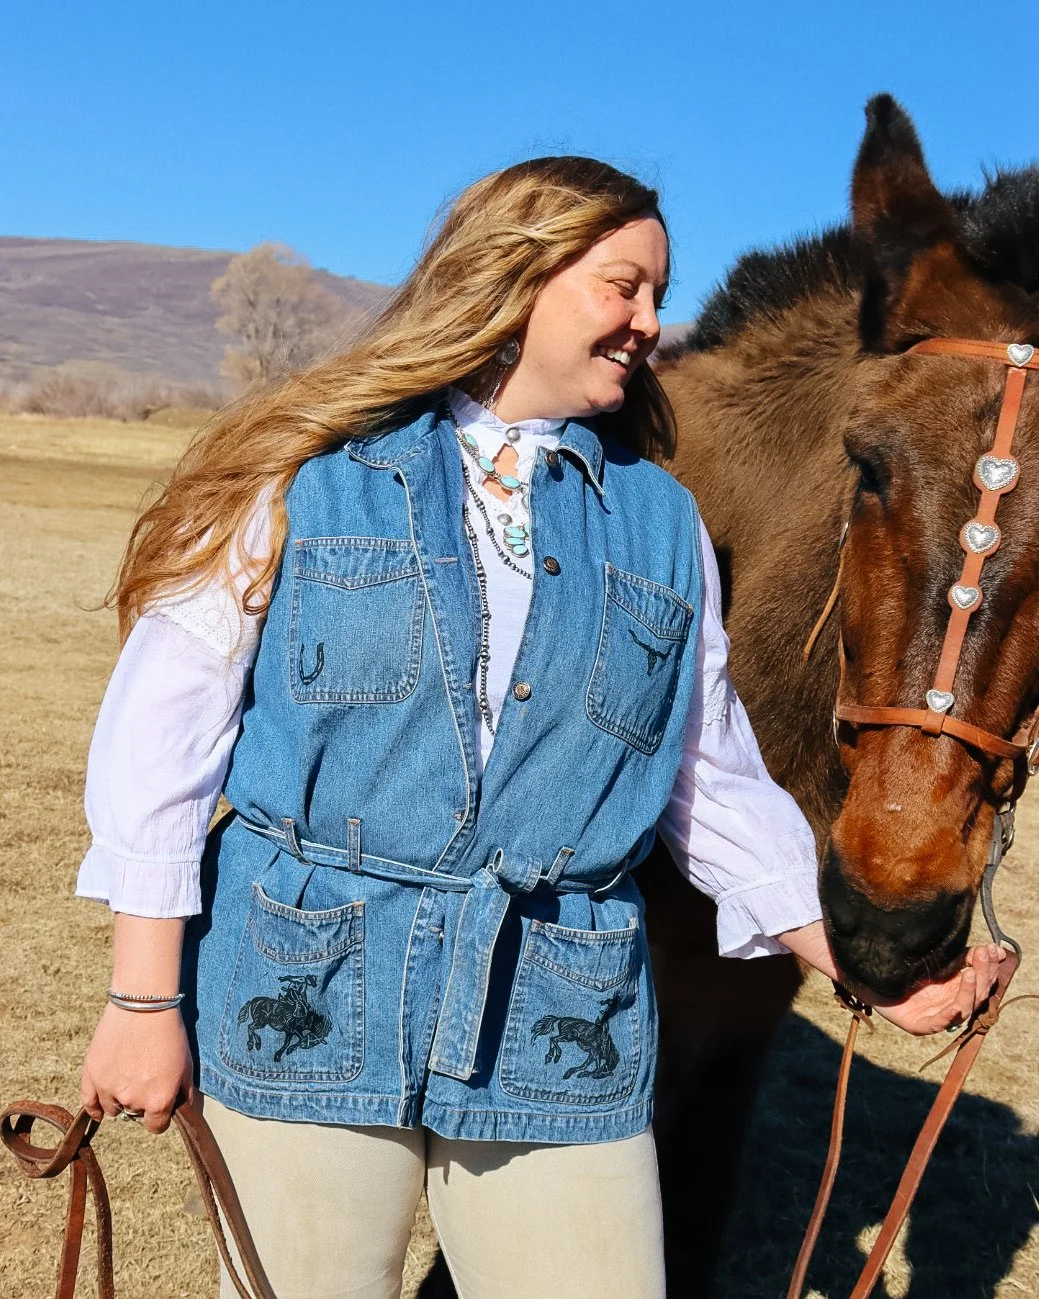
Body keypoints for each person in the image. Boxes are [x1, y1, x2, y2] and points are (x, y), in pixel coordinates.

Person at [76, 157, 1003, 1299]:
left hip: (560, 1008)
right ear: (514, 278)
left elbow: (709, 782)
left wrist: (862, 969)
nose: (650, 323)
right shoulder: (297, 472)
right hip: (311, 991)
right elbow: (159, 749)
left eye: (658, 295)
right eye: (623, 286)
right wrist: (142, 1002)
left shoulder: (661, 521)